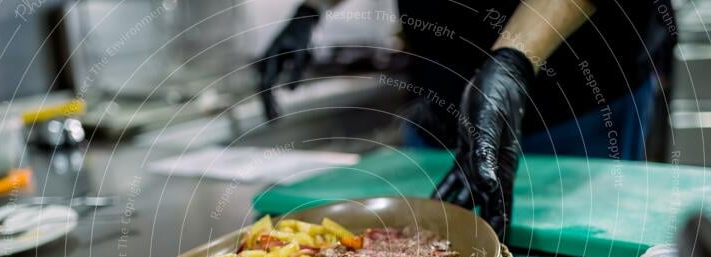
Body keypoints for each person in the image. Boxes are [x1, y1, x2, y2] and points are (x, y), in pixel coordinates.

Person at [257, 0, 676, 239]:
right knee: (432, 242)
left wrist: (514, 59)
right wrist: (314, 7)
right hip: (441, 87)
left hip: (577, 91)